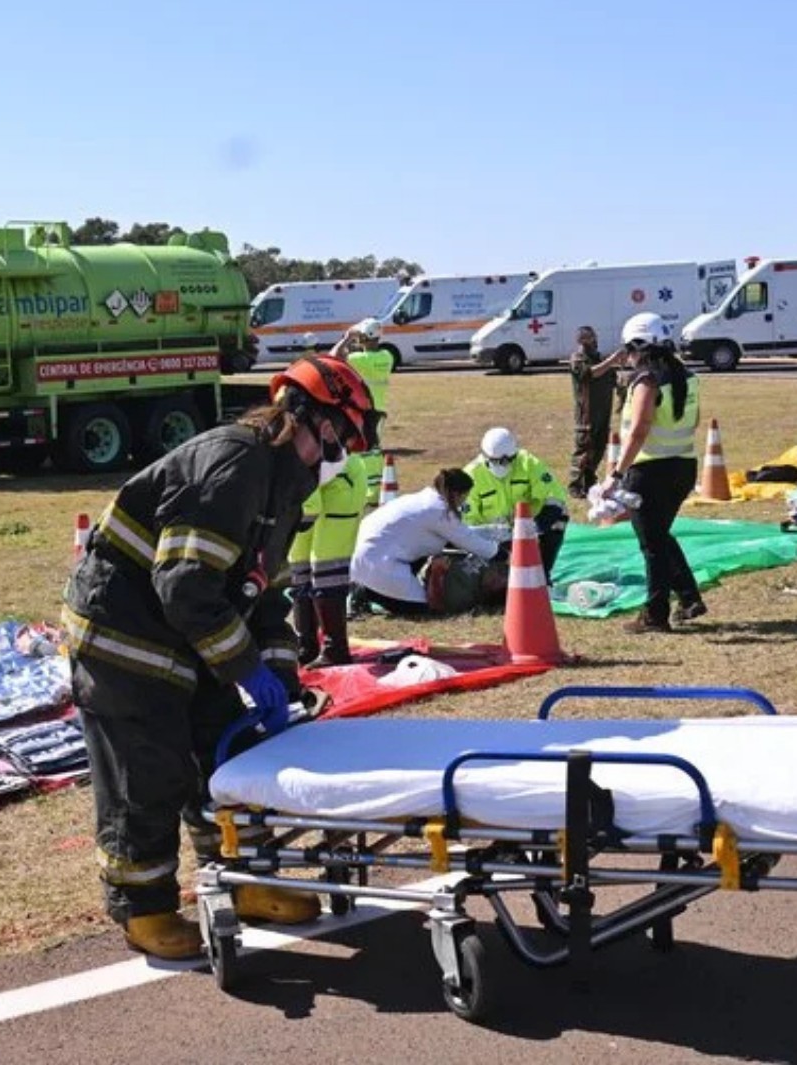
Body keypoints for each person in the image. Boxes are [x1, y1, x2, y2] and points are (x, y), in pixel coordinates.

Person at [62, 354, 381, 961]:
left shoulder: (285, 484)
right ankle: (145, 911)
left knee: (227, 754)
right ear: (310, 420)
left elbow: (263, 593)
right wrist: (244, 669)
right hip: (125, 637)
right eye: (340, 439)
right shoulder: (233, 465)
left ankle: (243, 882)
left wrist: (280, 675)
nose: (339, 455)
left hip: (188, 633)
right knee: (148, 775)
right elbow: (184, 586)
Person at [604, 312, 705, 634]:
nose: (627, 357)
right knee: (659, 534)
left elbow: (639, 429)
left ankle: (655, 614)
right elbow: (694, 420)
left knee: (652, 545)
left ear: (638, 346)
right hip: (684, 466)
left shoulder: (646, 379)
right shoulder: (686, 376)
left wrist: (615, 474)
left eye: (628, 350)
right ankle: (689, 598)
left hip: (649, 471)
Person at [350, 468, 505, 616]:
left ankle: (368, 588)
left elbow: (457, 536)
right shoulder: (440, 511)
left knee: (422, 560)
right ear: (456, 494)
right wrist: (503, 554)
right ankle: (367, 593)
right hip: (378, 564)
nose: (463, 502)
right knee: (423, 608)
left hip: (368, 555)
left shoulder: (426, 499)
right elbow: (470, 541)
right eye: (465, 496)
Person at [288, 448, 370, 667]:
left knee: (327, 568)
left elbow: (309, 503)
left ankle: (336, 650)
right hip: (315, 485)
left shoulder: (279, 455)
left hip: (342, 485)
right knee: (299, 566)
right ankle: (306, 645)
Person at [462, 427, 569, 577]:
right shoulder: (471, 476)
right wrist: (494, 538)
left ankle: (543, 574)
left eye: (509, 460)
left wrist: (536, 527)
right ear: (485, 456)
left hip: (530, 528)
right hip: (493, 538)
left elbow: (555, 496)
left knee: (560, 516)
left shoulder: (528, 463)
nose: (503, 465)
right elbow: (468, 523)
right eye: (496, 461)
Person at [334, 317, 393, 499]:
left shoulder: (359, 359)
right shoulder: (387, 356)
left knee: (367, 450)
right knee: (374, 448)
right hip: (380, 408)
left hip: (366, 411)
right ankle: (375, 489)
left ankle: (372, 491)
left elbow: (334, 357)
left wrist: (346, 339)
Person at [568, 325, 629, 495]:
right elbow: (590, 374)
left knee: (599, 447)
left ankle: (589, 480)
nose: (592, 341)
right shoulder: (577, 359)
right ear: (580, 341)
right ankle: (576, 485)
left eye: (593, 337)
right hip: (587, 414)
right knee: (584, 448)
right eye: (587, 338)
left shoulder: (601, 359)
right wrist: (612, 360)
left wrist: (623, 384)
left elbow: (615, 381)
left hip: (603, 412)